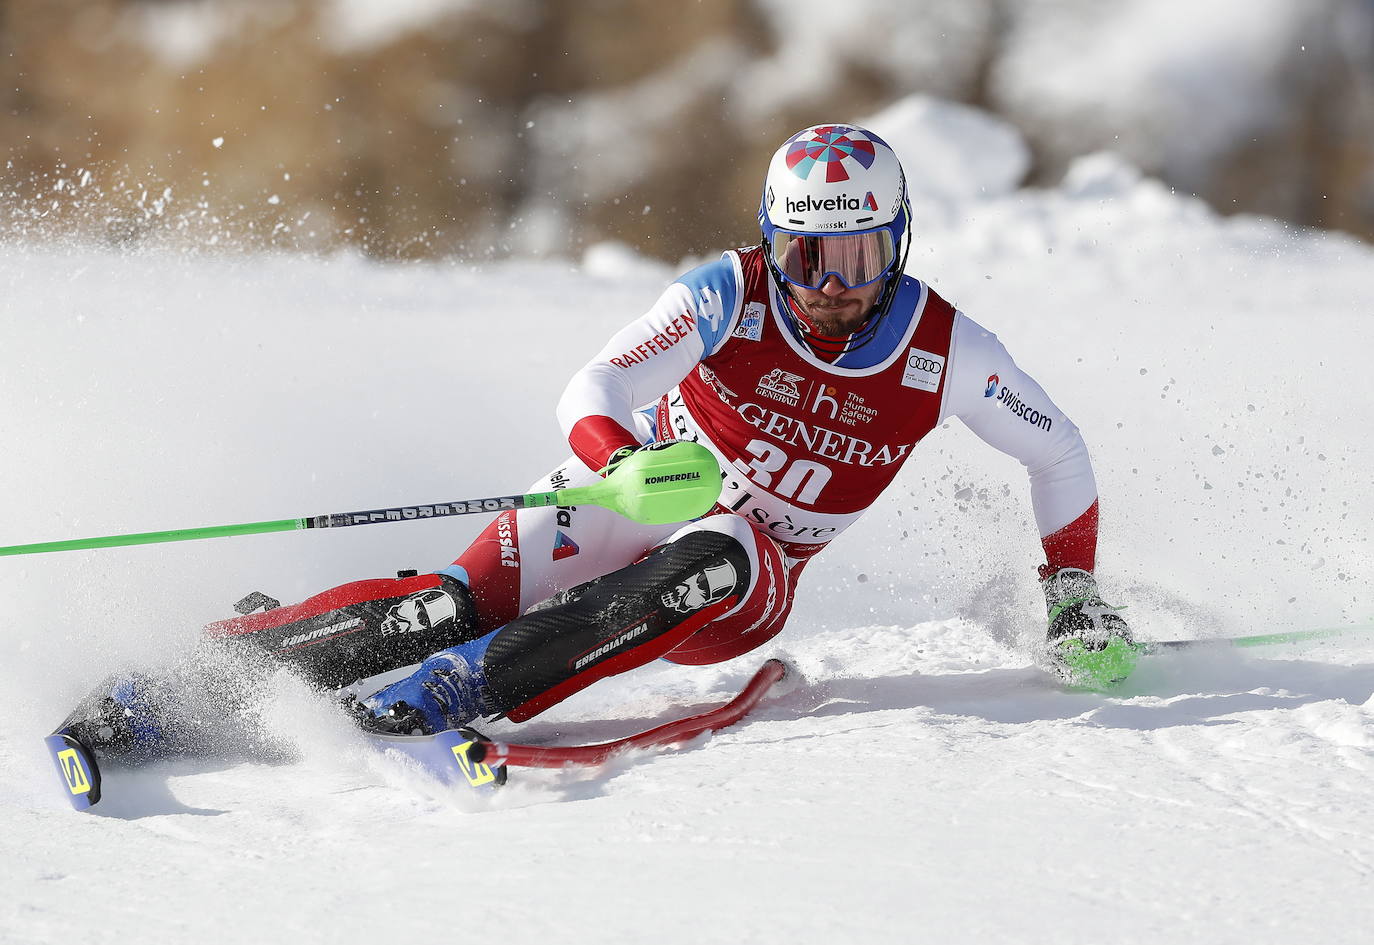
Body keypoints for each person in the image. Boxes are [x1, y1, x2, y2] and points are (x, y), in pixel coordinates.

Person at [77, 124, 1136, 756]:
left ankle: (462, 692)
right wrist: (622, 464)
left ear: (897, 247)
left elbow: (1062, 453)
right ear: (773, 242)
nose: (829, 291)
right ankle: (184, 680)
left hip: (744, 577)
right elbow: (598, 384)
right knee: (440, 603)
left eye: (857, 260)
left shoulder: (946, 348)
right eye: (807, 258)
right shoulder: (731, 293)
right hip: (635, 501)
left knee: (719, 548)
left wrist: (1073, 589)